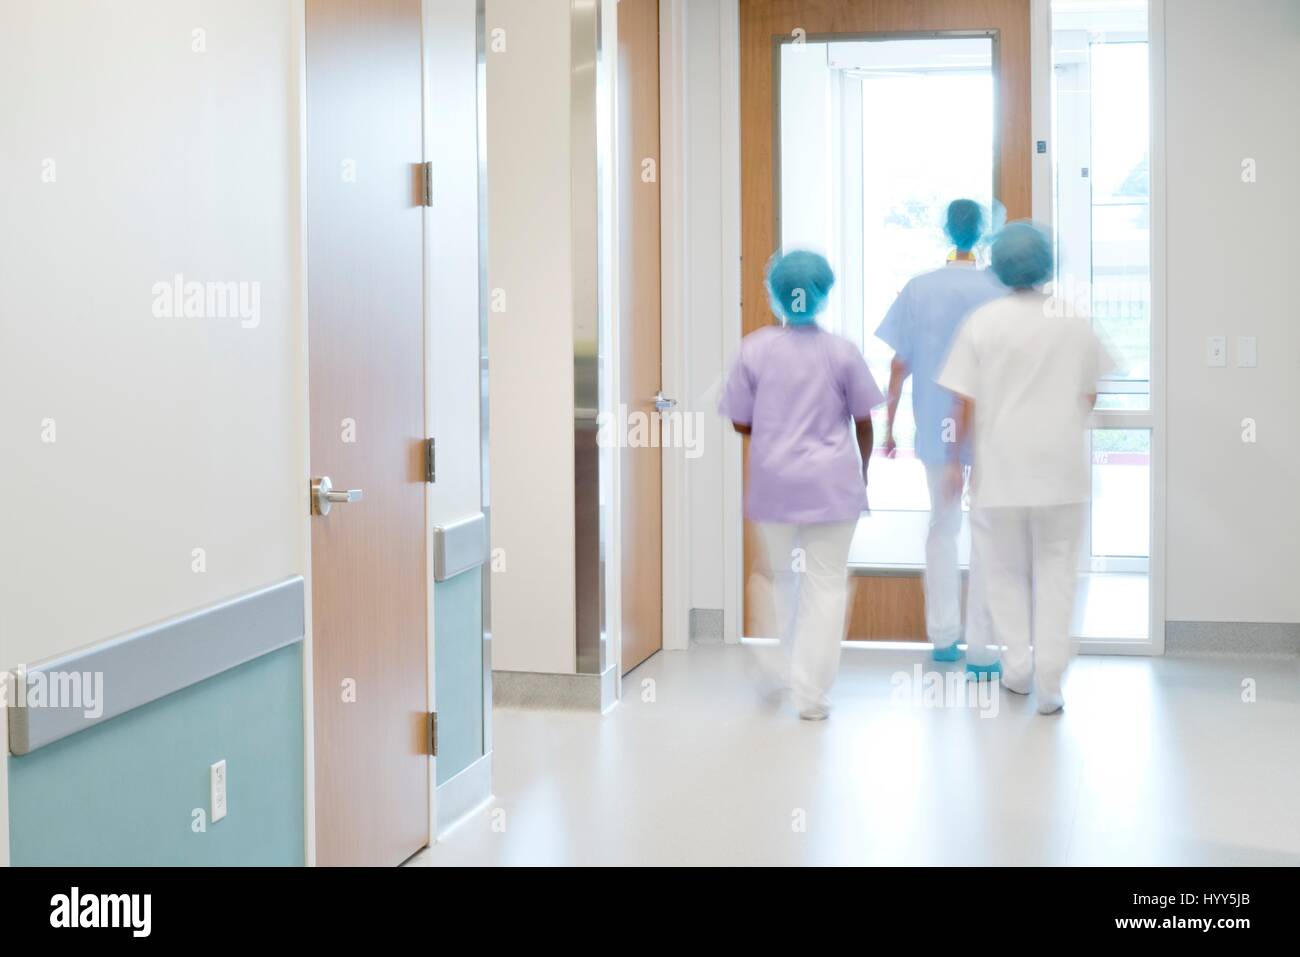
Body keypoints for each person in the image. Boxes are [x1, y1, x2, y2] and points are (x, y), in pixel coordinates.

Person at [936, 222, 1116, 714]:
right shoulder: (1072, 319)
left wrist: (955, 464)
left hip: (1001, 470)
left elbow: (962, 402)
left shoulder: (983, 321)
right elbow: (1091, 392)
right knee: (1058, 576)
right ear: (1047, 263)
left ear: (998, 266)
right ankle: (1051, 684)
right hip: (1062, 470)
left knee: (1005, 574)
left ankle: (1017, 669)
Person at [719, 250, 884, 720]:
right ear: (824, 293)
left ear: (775, 294)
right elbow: (864, 421)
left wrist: (775, 436)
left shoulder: (754, 349)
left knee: (773, 575)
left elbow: (739, 423)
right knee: (826, 585)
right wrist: (863, 469)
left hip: (774, 484)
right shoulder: (842, 351)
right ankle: (812, 696)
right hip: (832, 487)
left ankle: (773, 667)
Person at [875, 200, 1006, 668]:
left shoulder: (919, 288)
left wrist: (889, 428)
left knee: (942, 527)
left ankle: (944, 637)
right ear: (986, 232)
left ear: (945, 230)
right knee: (990, 531)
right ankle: (984, 648)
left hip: (936, 426)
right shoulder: (1000, 287)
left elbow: (898, 364)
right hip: (993, 425)